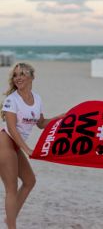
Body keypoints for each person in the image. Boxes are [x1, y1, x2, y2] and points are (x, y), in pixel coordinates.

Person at [0, 63, 64, 229]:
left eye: (22, 74)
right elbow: (12, 129)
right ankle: (11, 226)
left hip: (15, 145)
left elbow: (41, 123)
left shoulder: (37, 98)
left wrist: (61, 117)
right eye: (15, 75)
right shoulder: (11, 100)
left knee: (29, 181)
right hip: (4, 143)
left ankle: (10, 219)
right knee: (11, 188)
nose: (18, 78)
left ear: (32, 77)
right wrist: (27, 149)